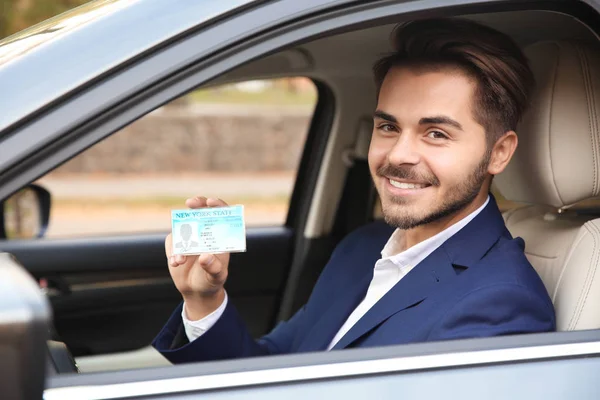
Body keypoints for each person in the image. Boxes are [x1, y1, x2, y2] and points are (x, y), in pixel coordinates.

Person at [153, 18, 555, 363]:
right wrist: (204, 300)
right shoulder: (362, 246)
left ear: (498, 153)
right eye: (388, 127)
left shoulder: (502, 306)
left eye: (435, 133)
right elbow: (273, 371)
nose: (398, 155)